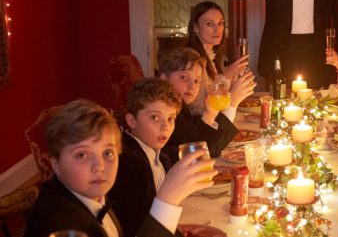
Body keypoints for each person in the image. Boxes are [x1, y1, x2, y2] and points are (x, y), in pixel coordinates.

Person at [24, 99, 216, 237]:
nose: (99, 166)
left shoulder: (91, 196)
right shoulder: (61, 223)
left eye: (108, 153)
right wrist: (167, 200)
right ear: (55, 163)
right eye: (82, 155)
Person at [108, 78, 182, 237]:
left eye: (171, 118)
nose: (166, 126)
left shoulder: (161, 156)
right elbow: (138, 228)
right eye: (155, 117)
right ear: (132, 121)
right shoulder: (128, 164)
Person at [159, 47, 252, 159]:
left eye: (197, 80)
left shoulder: (181, 107)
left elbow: (204, 142)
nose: (192, 86)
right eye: (184, 77)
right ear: (164, 79)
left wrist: (210, 113)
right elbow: (200, 155)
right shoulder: (167, 114)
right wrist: (232, 103)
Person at [186, 1, 249, 115]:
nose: (217, 29)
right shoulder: (192, 59)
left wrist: (232, 78)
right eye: (210, 24)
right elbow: (199, 107)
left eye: (220, 23)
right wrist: (227, 77)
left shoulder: (211, 54)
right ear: (195, 27)